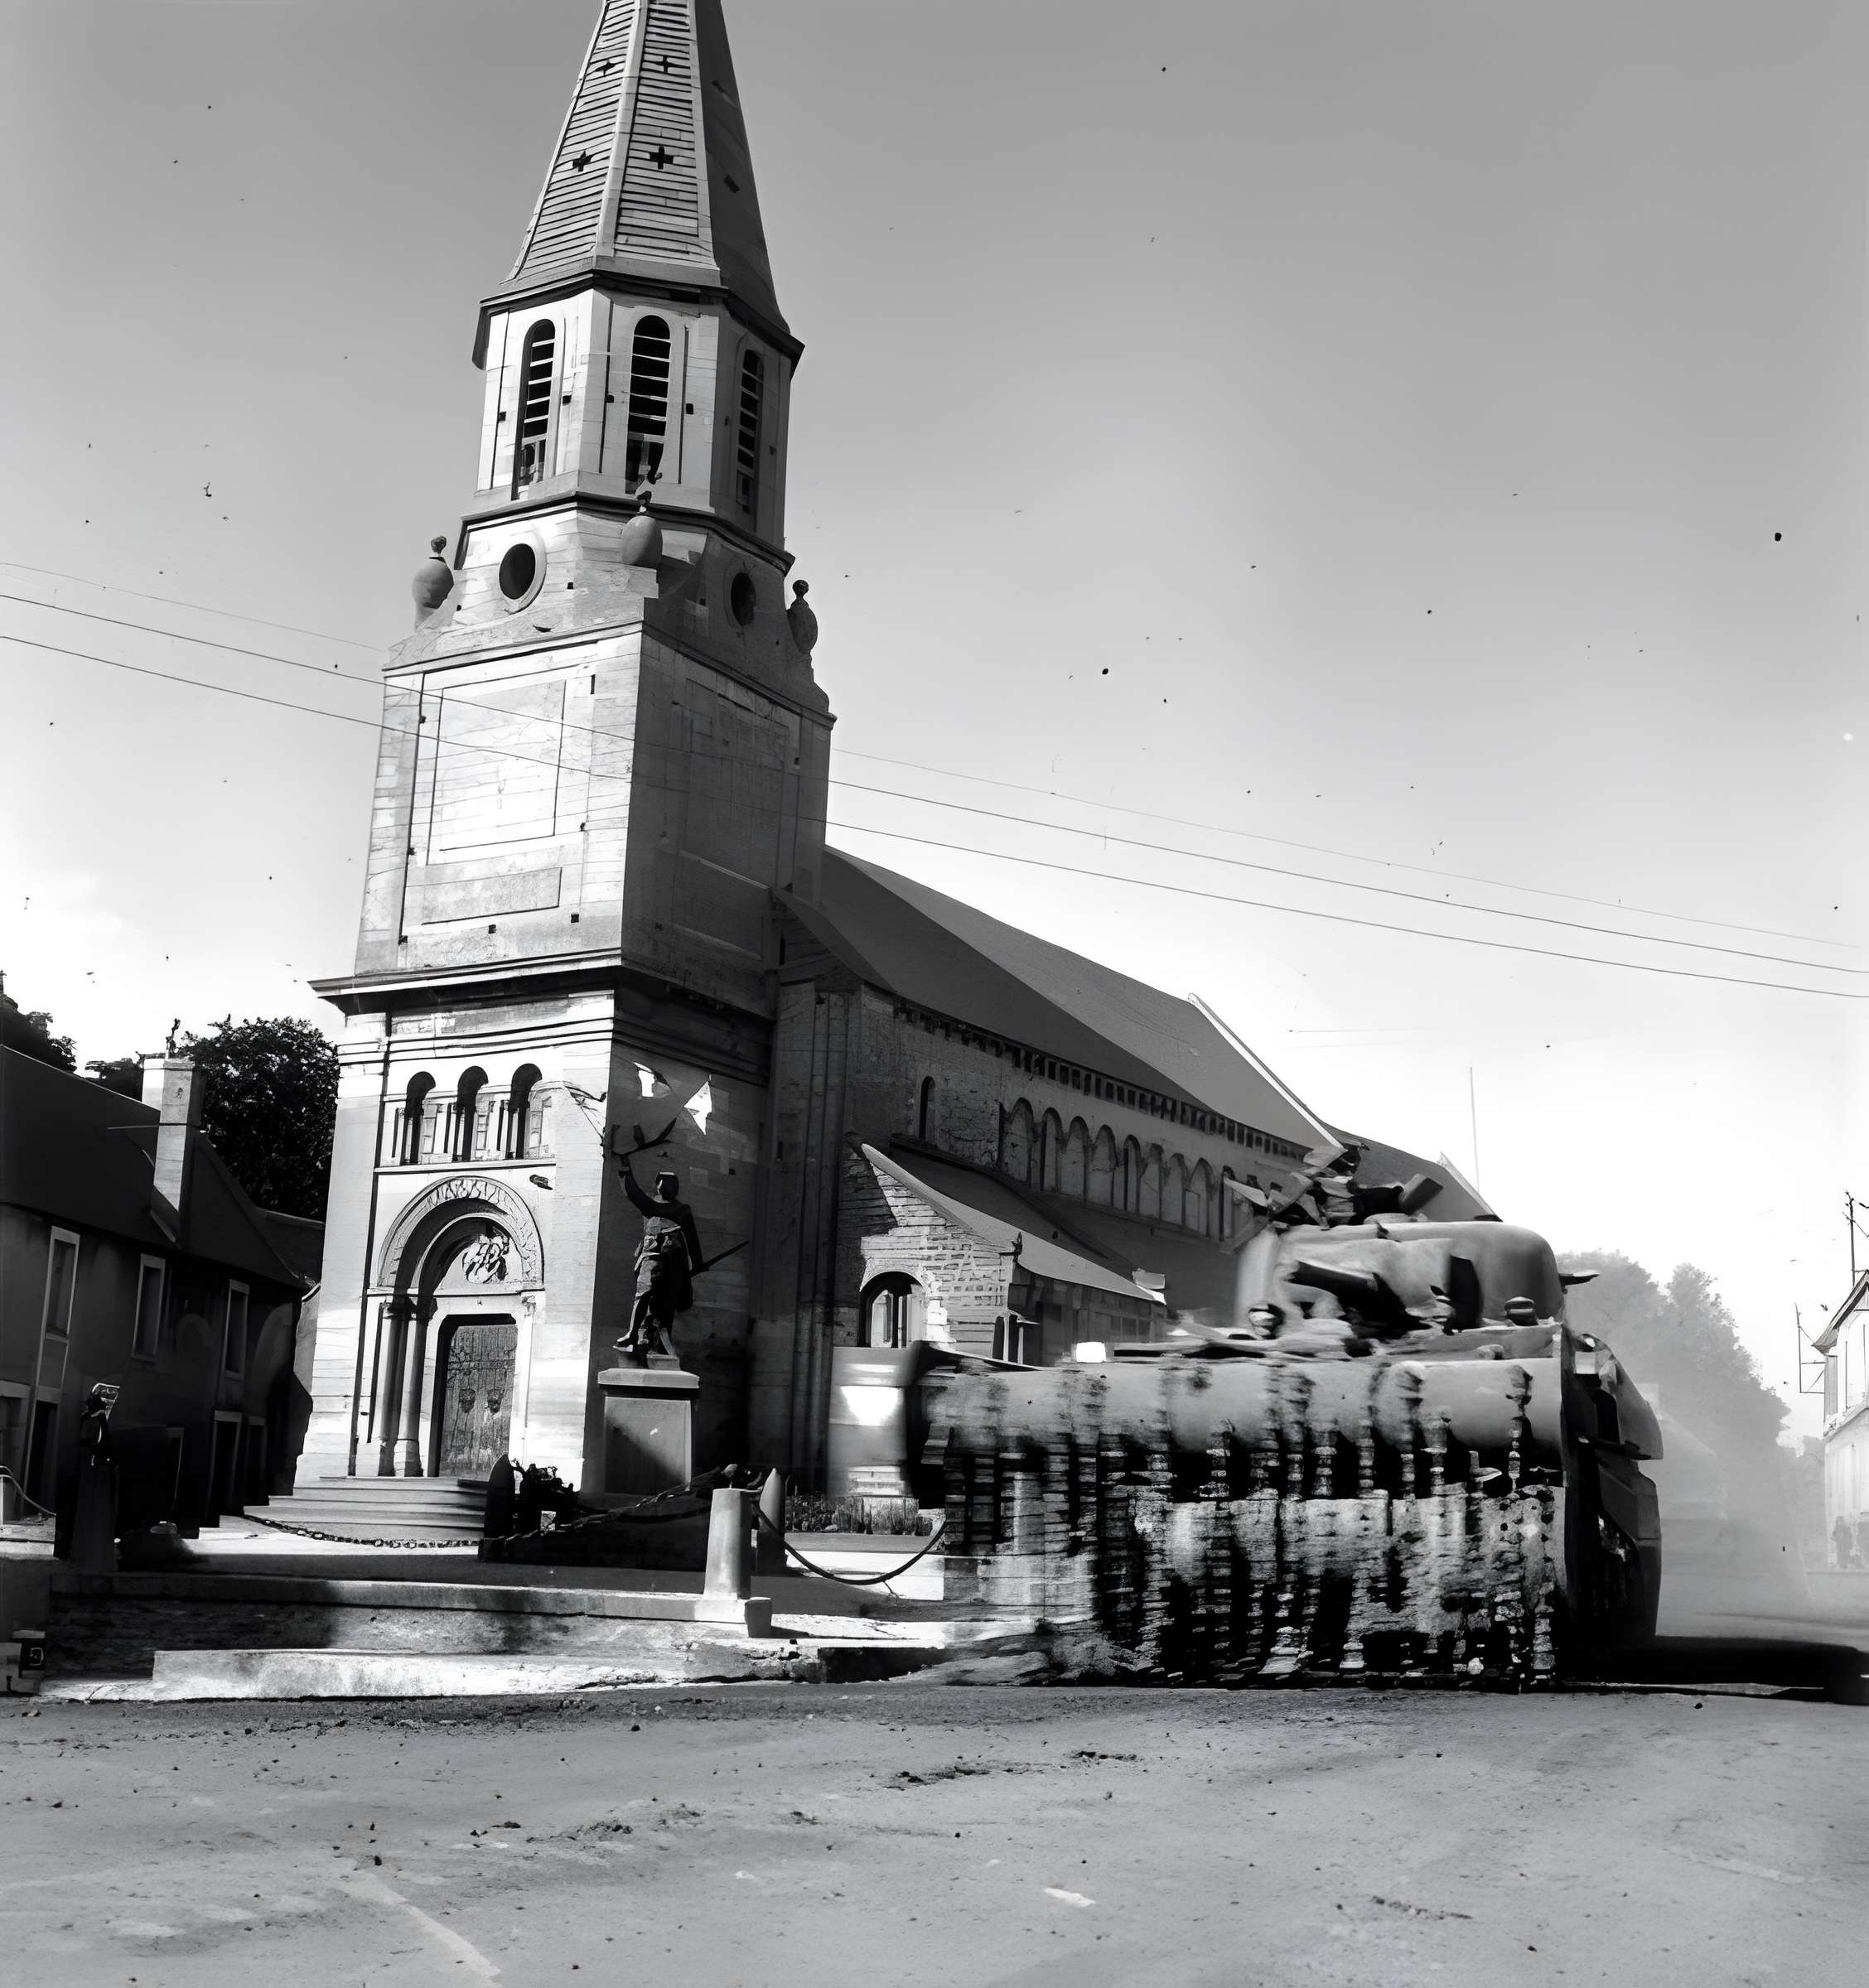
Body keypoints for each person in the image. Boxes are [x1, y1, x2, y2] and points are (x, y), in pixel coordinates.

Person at [616, 1154, 703, 1364]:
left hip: (674, 1263)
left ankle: (660, 1343)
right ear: (657, 1185)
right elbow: (635, 1195)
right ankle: (633, 1333)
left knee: (667, 1304)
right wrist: (627, 1172)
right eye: (664, 1181)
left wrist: (697, 1264)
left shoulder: (682, 1210)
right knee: (643, 1295)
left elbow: (692, 1238)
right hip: (651, 1258)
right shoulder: (651, 1206)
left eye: (672, 1182)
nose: (668, 1185)